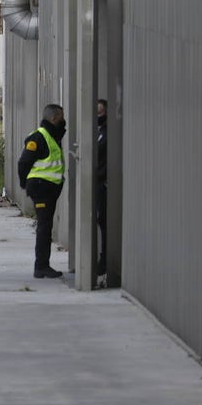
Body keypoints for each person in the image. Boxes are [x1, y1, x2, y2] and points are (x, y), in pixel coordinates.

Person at [18, 103, 66, 279]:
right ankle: (41, 266)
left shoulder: (52, 137)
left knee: (46, 226)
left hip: (48, 189)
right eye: (61, 118)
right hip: (41, 188)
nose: (64, 121)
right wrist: (24, 184)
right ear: (54, 118)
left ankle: (43, 265)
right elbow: (23, 163)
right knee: (44, 227)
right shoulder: (39, 137)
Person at [95, 99, 108, 275]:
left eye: (100, 113)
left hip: (103, 184)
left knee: (104, 223)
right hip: (97, 183)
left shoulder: (107, 133)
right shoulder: (97, 132)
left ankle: (104, 261)